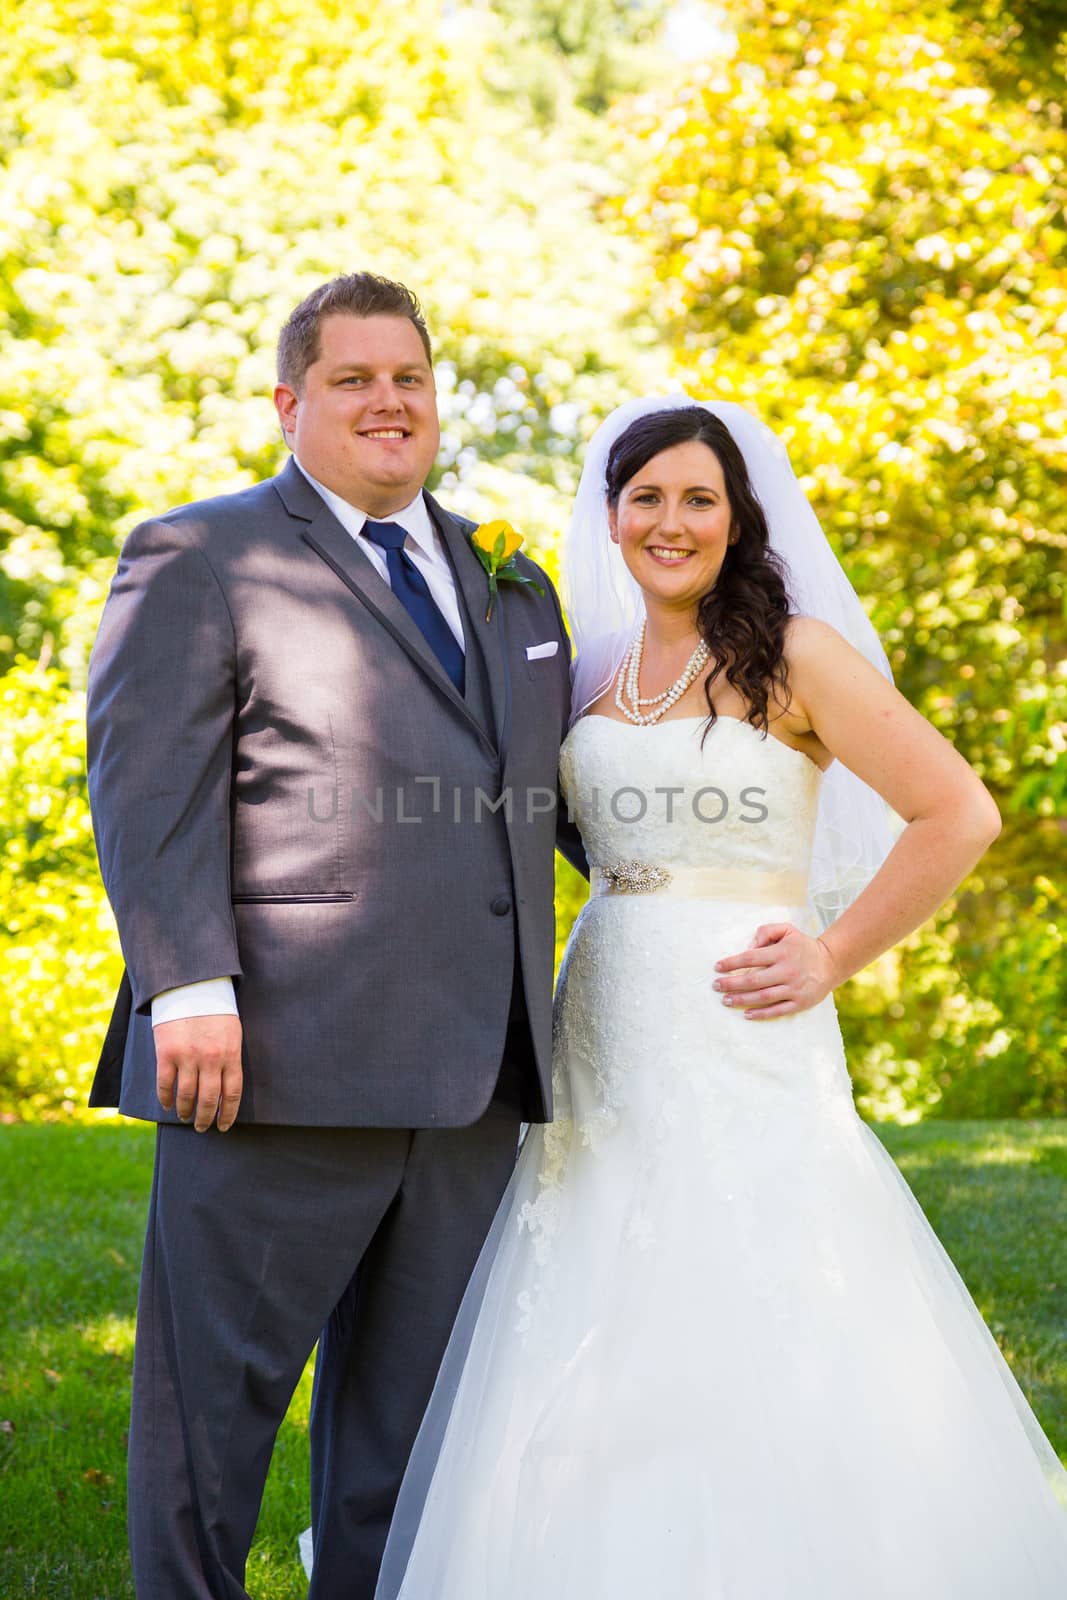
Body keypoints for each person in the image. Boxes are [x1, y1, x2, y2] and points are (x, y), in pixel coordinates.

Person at [370, 398, 1067, 1598]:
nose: (670, 521)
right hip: (601, 1010)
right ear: (611, 515)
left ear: (738, 517)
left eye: (698, 498)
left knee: (756, 1268)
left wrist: (834, 952)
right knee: (589, 1264)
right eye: (646, 497)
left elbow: (956, 811)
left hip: (746, 1024)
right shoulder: (584, 669)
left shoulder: (794, 655)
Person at [85, 270, 585, 1599]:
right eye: (354, 378)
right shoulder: (202, 554)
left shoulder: (511, 578)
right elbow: (147, 788)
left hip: (475, 1080)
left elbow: (559, 797)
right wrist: (186, 982)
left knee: (412, 1444)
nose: (387, 402)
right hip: (273, 1063)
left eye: (408, 378)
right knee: (212, 1425)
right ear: (288, 402)